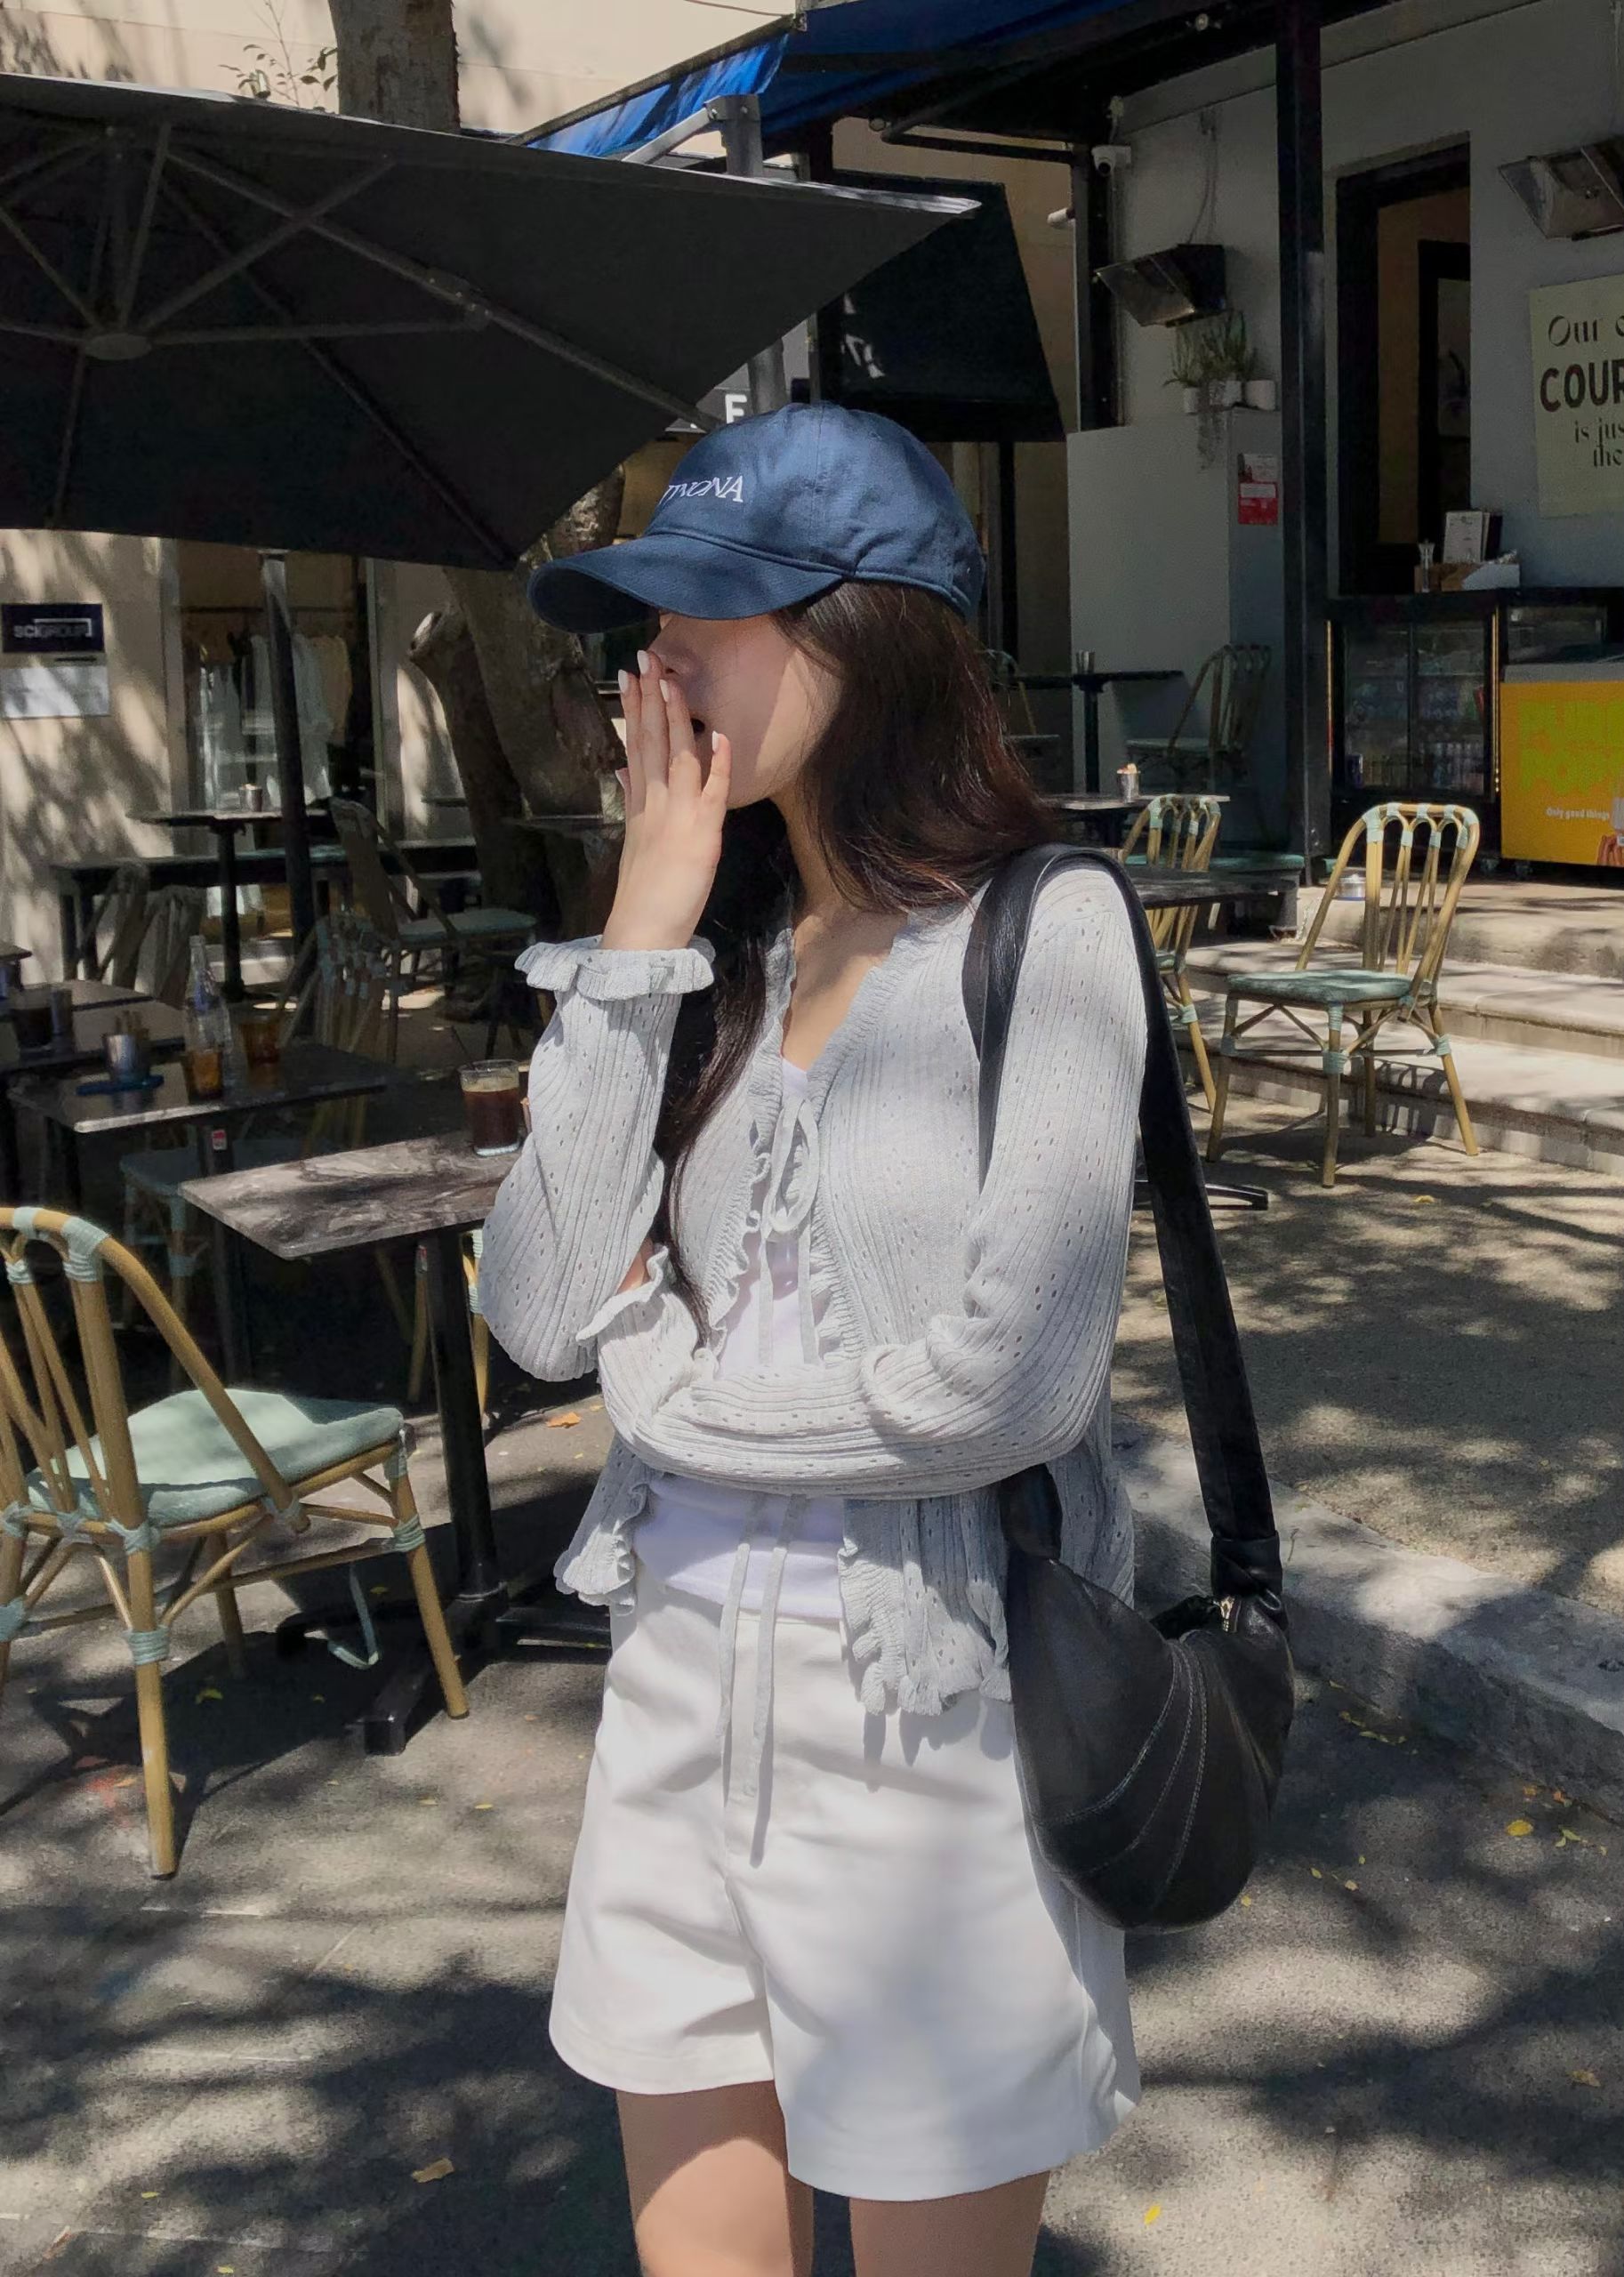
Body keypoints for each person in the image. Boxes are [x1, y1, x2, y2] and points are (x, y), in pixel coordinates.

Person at [479, 403, 1146, 2277]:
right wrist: (643, 925)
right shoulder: (715, 957)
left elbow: (1012, 1384)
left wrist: (674, 1396)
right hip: (673, 1714)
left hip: (926, 1749)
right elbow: (538, 1311)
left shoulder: (1051, 928)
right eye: (653, 613)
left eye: (713, 608)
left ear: (866, 635)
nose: (662, 655)